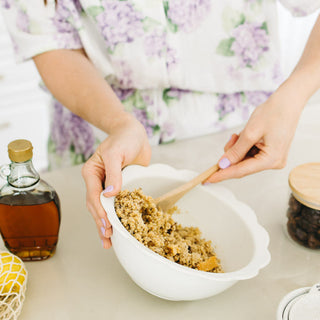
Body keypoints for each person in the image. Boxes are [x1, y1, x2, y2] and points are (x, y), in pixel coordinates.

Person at [1, 0, 320, 249]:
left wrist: (294, 95)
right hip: (104, 136)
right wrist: (119, 123)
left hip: (241, 138)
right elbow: (50, 41)